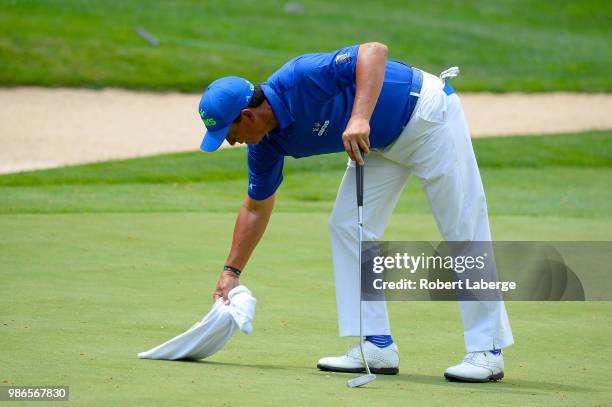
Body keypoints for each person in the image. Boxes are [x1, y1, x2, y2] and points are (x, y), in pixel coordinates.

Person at [197, 42, 514, 382]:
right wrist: (231, 271)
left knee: (462, 226)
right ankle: (376, 343)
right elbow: (256, 208)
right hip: (377, 142)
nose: (230, 141)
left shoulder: (299, 77)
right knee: (347, 225)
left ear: (247, 115)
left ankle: (488, 349)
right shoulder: (265, 146)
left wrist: (360, 116)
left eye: (228, 132)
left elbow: (374, 51)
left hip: (426, 114)